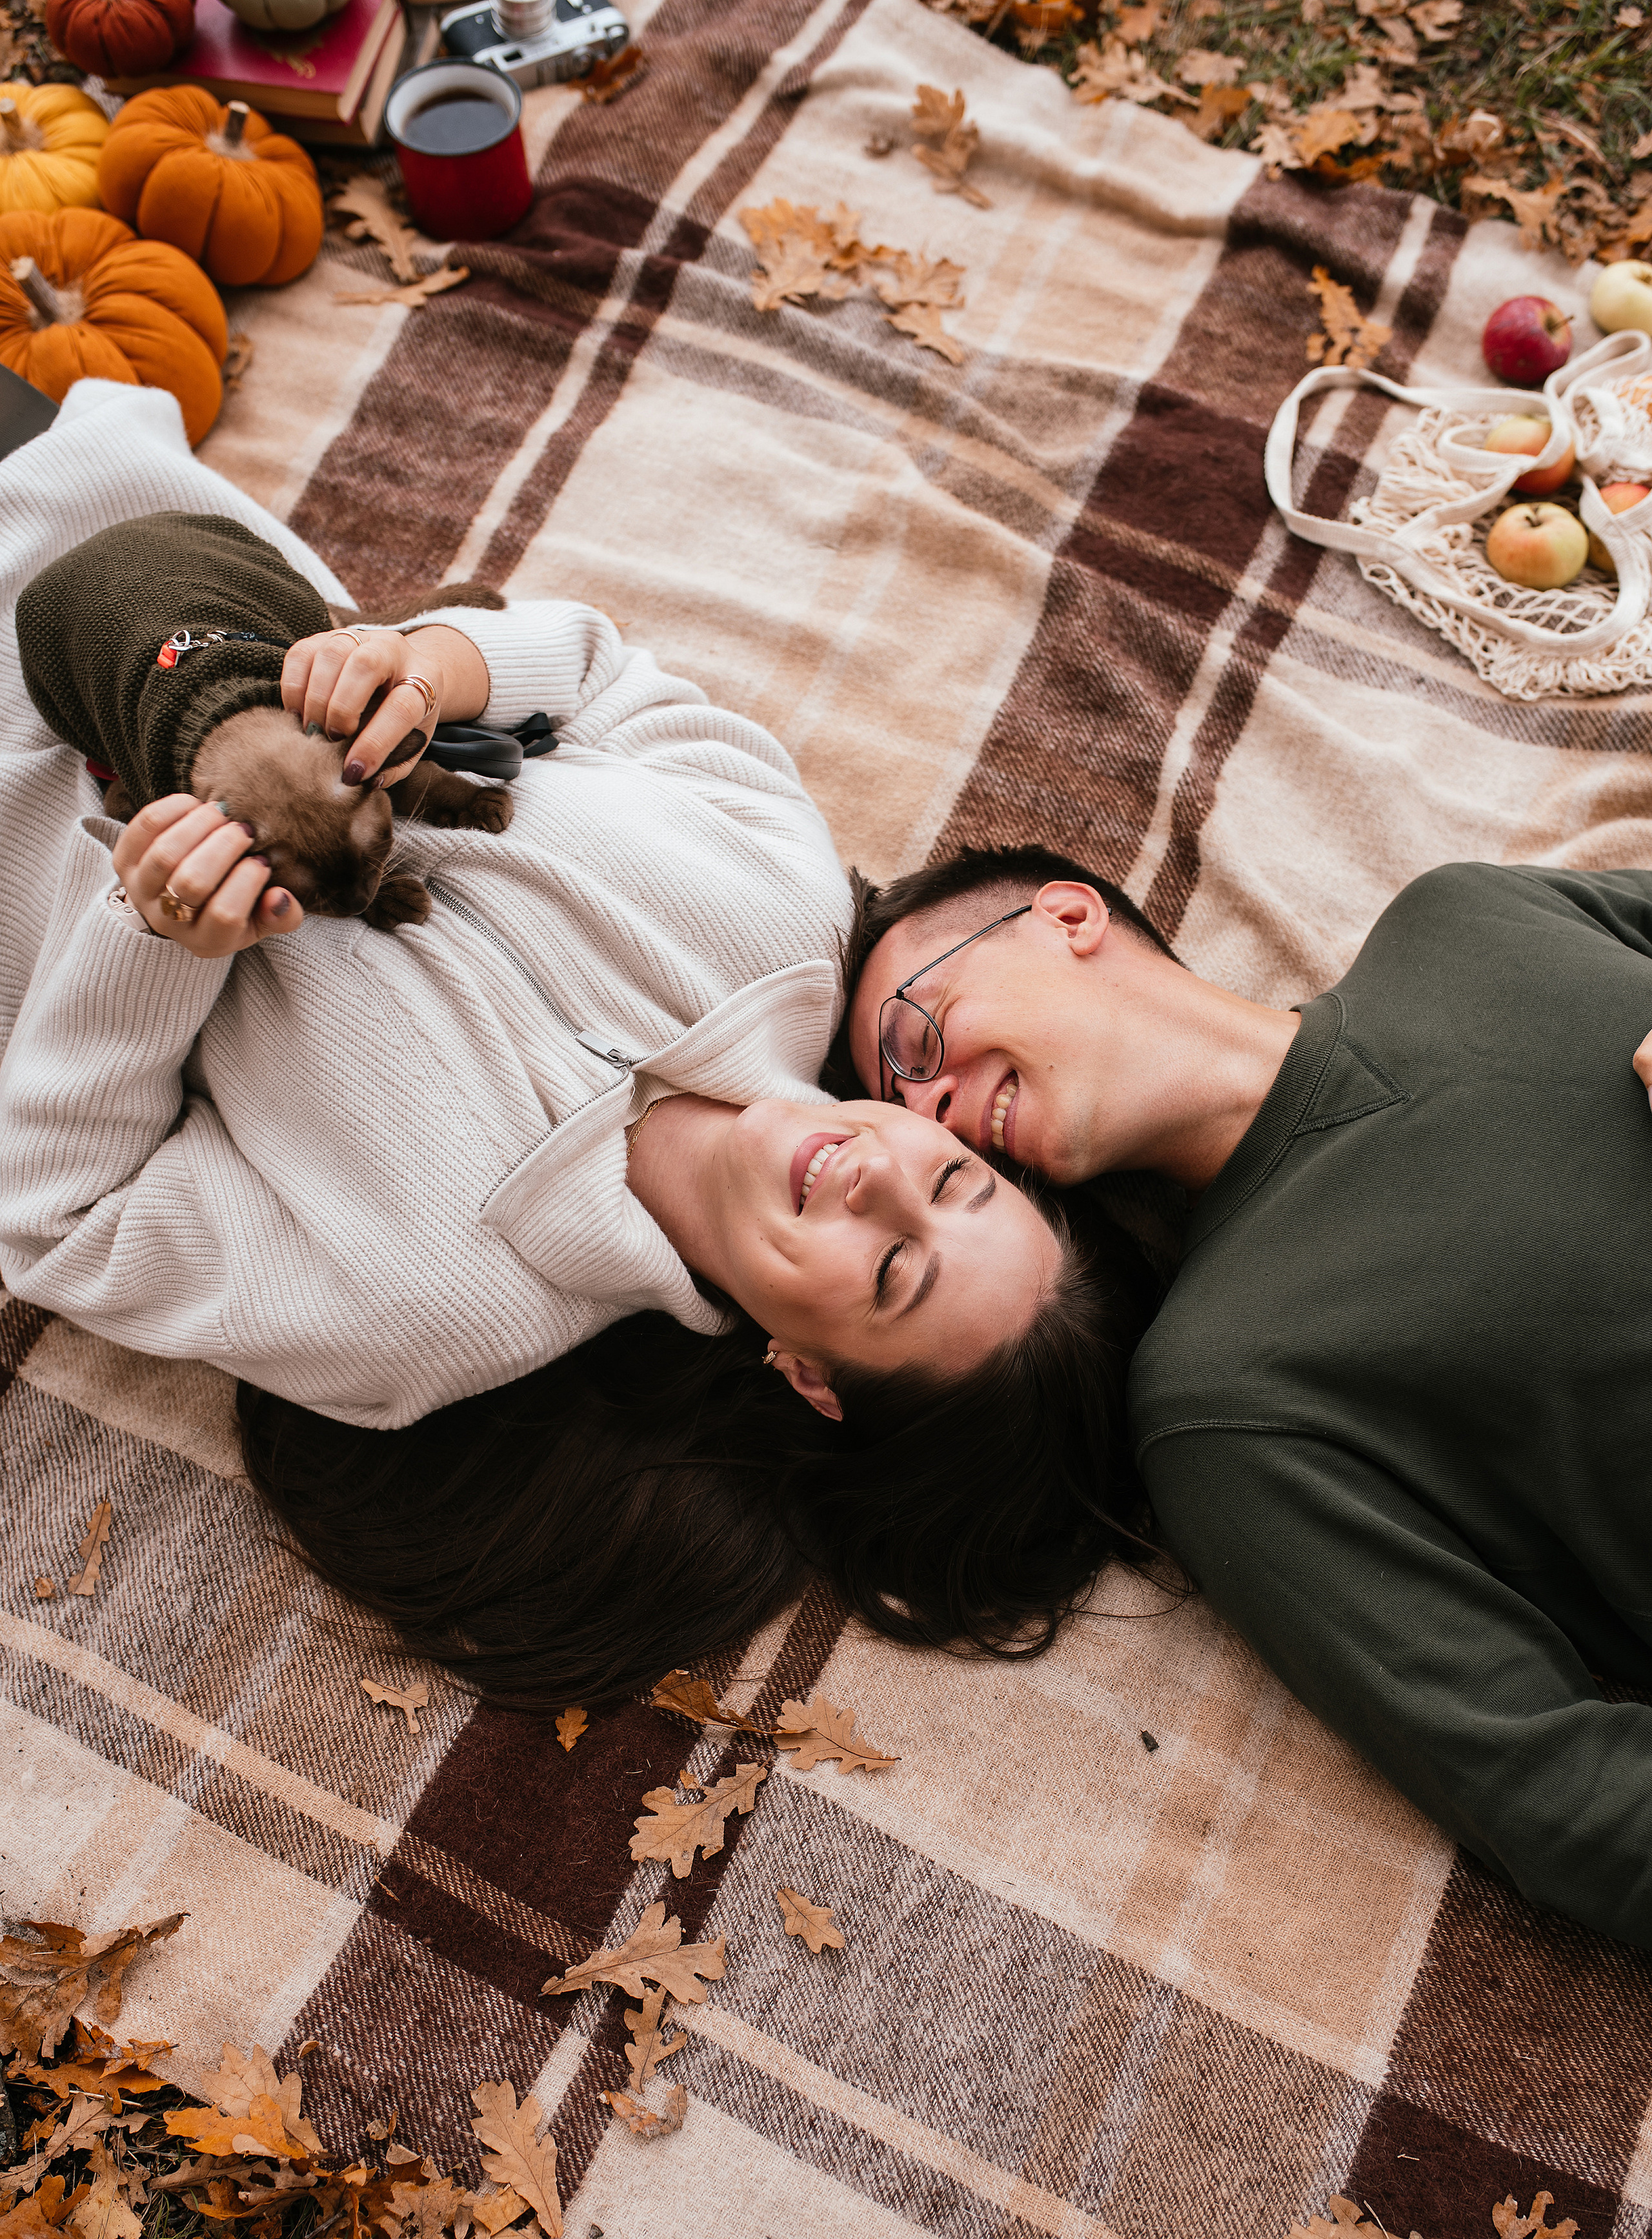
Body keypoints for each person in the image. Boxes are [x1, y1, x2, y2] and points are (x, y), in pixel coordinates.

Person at [0, 385, 1157, 1704]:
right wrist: (433, 666)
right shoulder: (782, 924)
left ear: (811, 1380)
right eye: (954, 1184)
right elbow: (607, 680)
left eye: (894, 1269)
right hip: (86, 496)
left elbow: (59, 1218)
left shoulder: (435, 1312)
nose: (881, 1179)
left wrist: (149, 939)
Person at [840, 842, 1652, 1950]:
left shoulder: (1464, 915)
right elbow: (1561, 1796)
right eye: (902, 1105)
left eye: (911, 1036)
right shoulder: (1222, 1397)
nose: (928, 1106)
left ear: (1067, 917)